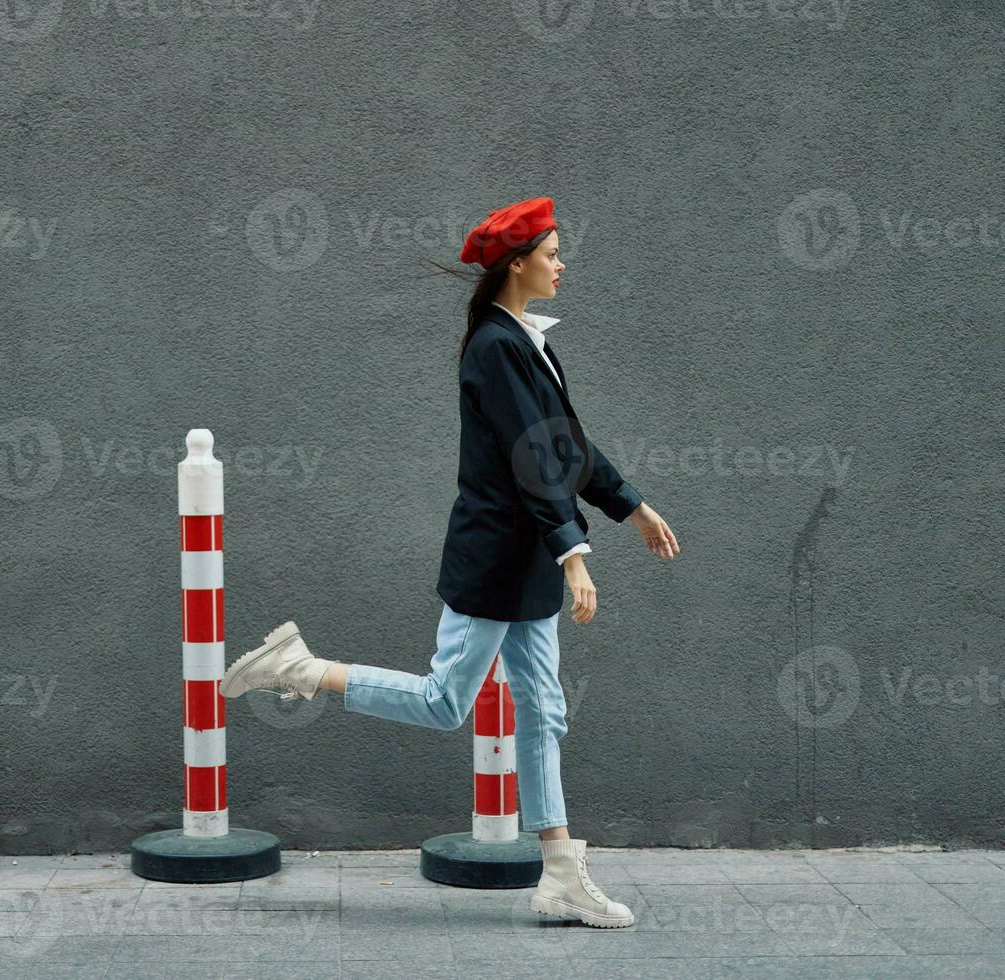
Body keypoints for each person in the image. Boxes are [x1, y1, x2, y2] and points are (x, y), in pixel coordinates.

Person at [219, 196, 680, 929]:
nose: (563, 264)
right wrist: (576, 555)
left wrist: (632, 506)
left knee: (546, 711)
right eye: (554, 252)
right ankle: (301, 668)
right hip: (499, 560)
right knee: (444, 703)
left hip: (524, 564)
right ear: (518, 262)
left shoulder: (527, 341)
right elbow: (533, 457)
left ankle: (559, 873)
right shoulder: (494, 348)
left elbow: (567, 447)